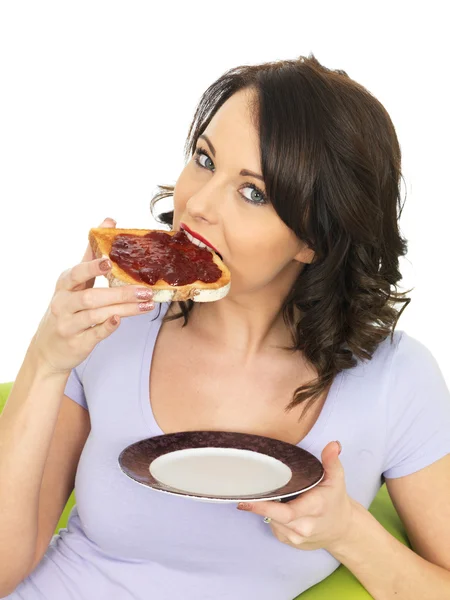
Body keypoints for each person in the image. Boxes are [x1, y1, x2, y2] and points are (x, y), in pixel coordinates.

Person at [1, 54, 449, 600]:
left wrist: (349, 533)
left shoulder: (395, 381)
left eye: (253, 192)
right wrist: (46, 362)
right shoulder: (112, 326)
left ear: (313, 238)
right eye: (205, 159)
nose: (198, 205)